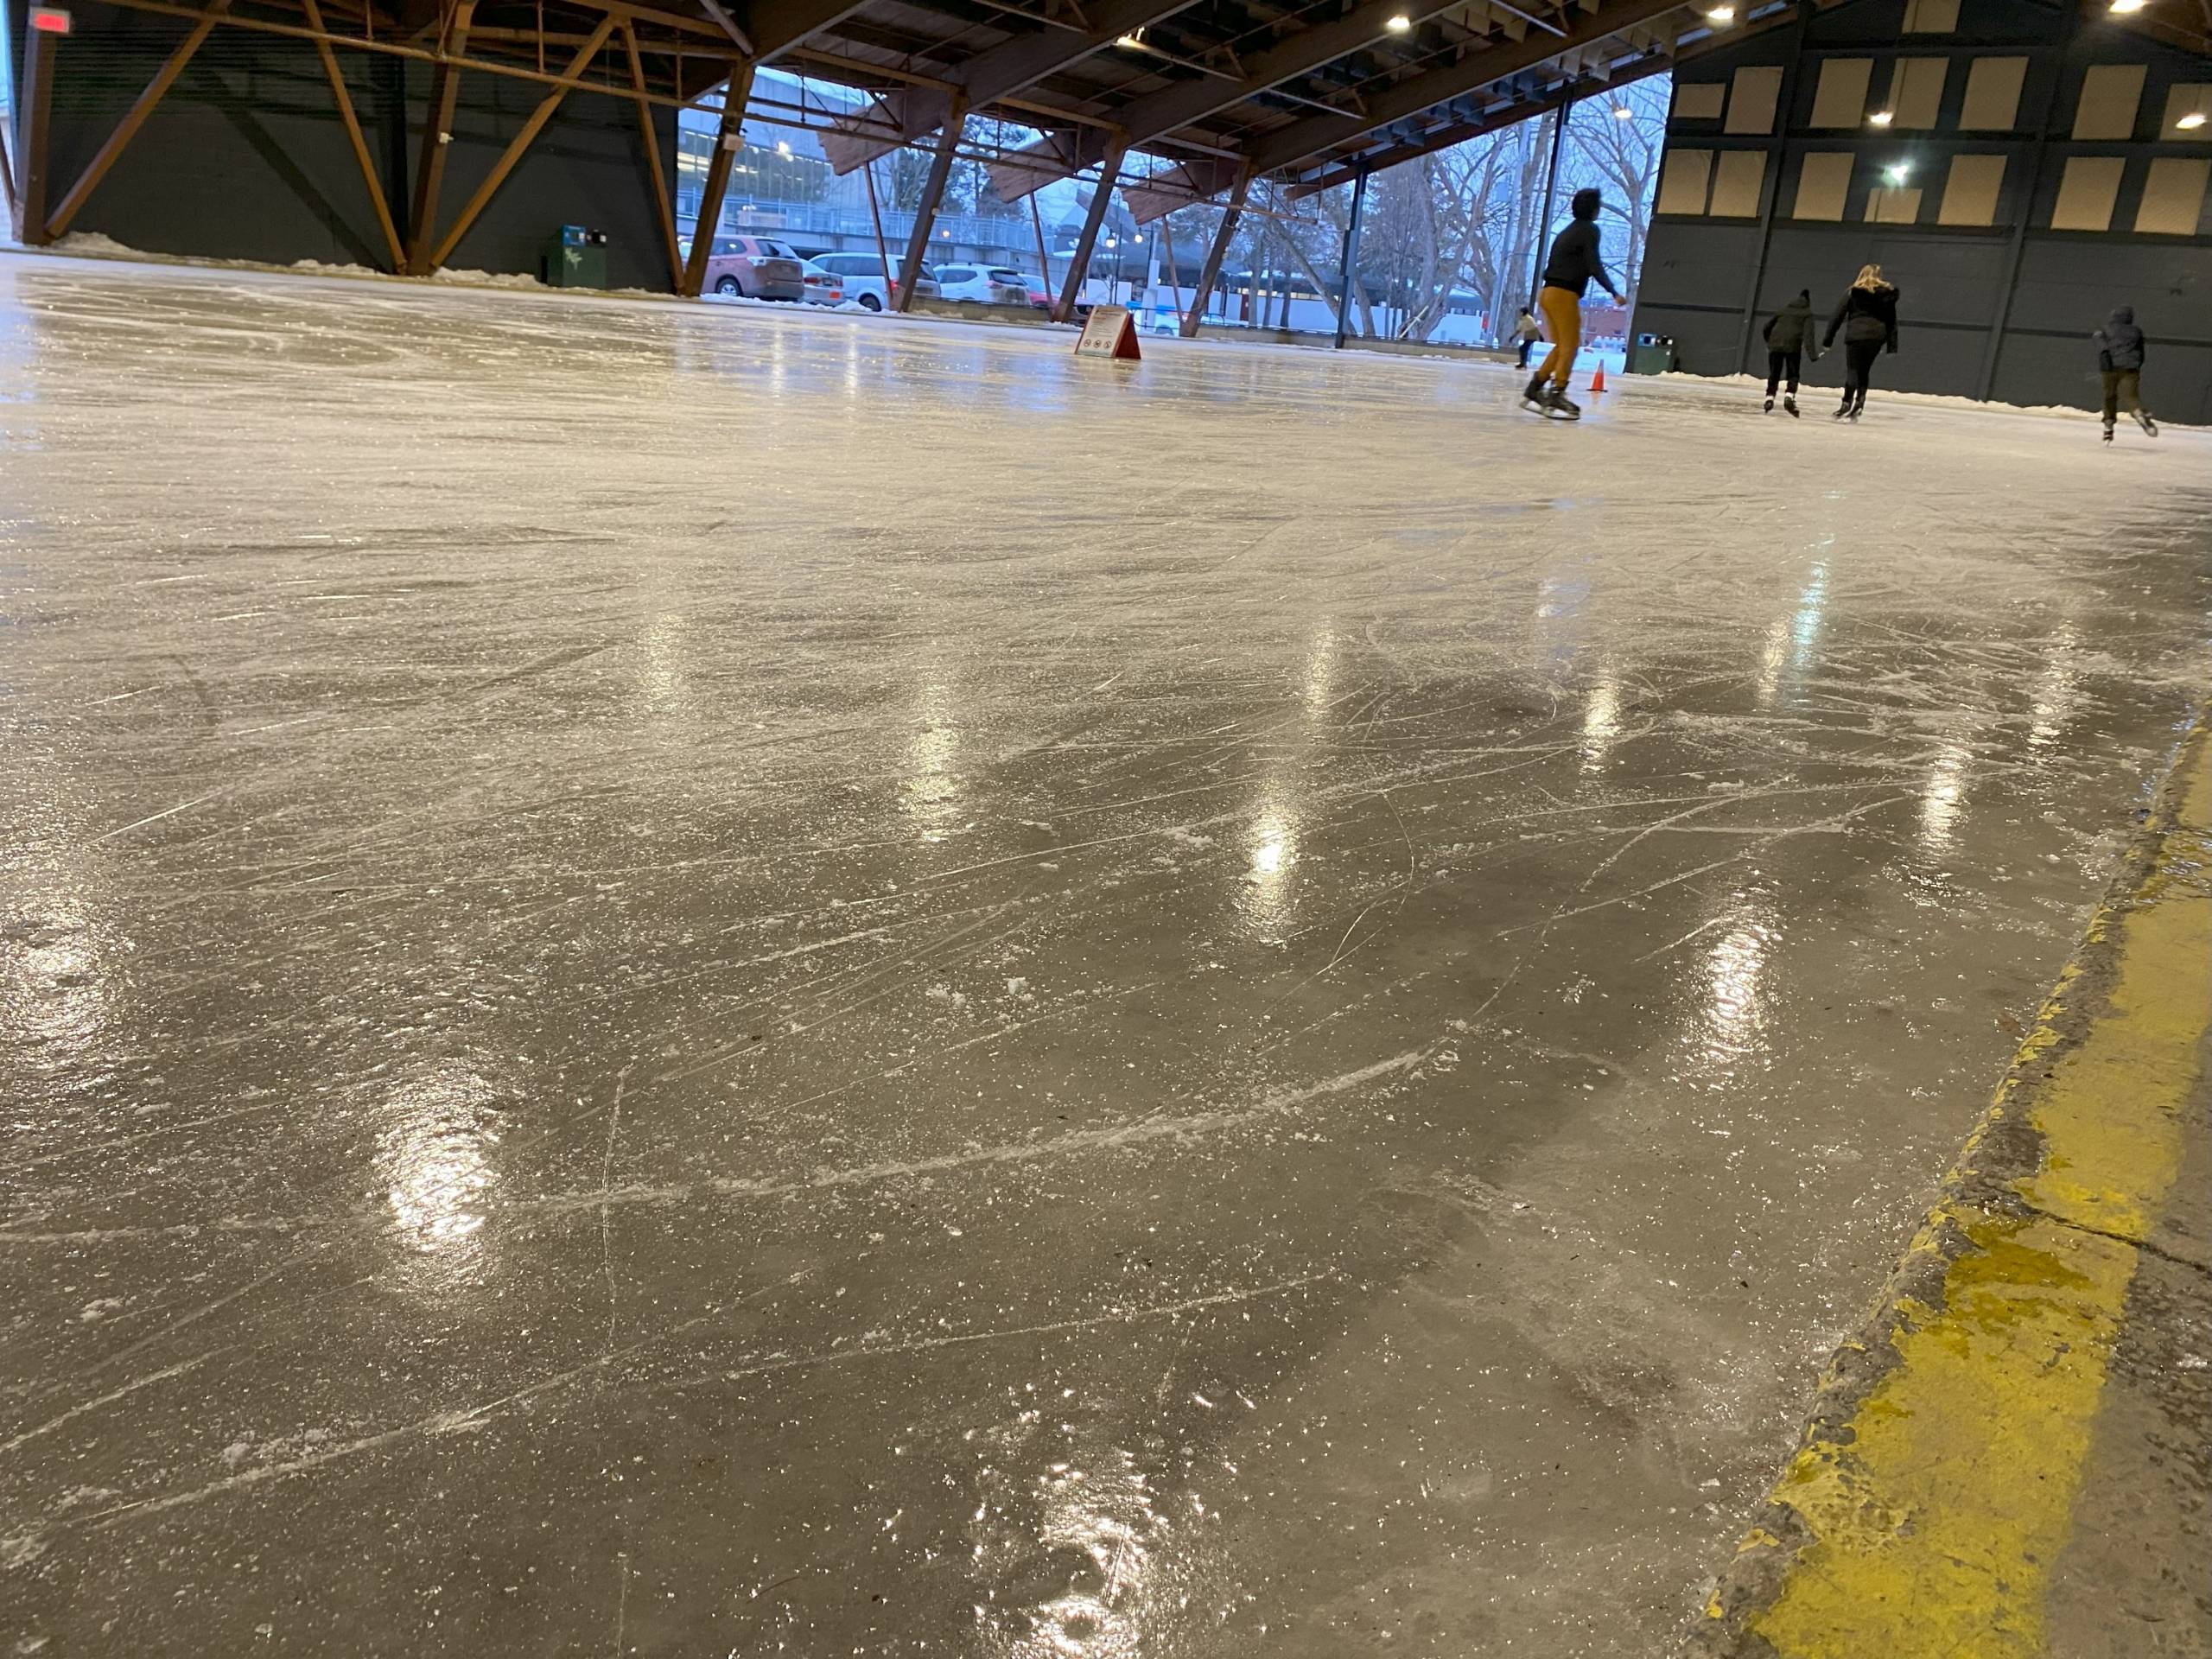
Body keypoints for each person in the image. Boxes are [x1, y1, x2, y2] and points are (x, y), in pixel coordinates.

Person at [1522, 188, 1624, 420]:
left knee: (1561, 346)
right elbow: (1593, 264)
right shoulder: (1589, 230)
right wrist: (1613, 291)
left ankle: (1535, 388)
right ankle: (1557, 392)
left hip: (1548, 292)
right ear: (1594, 209)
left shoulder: (1567, 231)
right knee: (1571, 345)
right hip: (1564, 294)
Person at [1821, 264, 1899, 420]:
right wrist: (1892, 346)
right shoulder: (1886, 295)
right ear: (1879, 275)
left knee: (1853, 369)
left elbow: (1837, 317)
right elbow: (1892, 321)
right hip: (1877, 337)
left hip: (1856, 335)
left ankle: (1846, 403)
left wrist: (1828, 340)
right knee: (1865, 370)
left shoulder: (1853, 293)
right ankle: (1860, 402)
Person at [2094, 305, 2158, 442]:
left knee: (2110, 396)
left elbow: (2101, 346)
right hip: (2130, 368)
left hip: (2110, 368)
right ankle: (2139, 413)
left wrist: (2105, 360)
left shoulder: (2104, 329)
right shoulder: (2136, 331)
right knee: (2131, 397)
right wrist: (2137, 365)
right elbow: (2141, 352)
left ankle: (2108, 424)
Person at [1760, 289, 1820, 416]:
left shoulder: (1784, 310)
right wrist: (1813, 355)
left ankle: (1769, 397)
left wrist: (1769, 342)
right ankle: (1789, 396)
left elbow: (1766, 327)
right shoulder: (1807, 313)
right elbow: (1808, 336)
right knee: (1793, 373)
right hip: (1793, 346)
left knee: (1774, 372)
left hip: (1775, 345)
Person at [1512, 306, 1542, 370]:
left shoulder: (1529, 318)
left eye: (1520, 312)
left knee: (1523, 348)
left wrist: (1540, 336)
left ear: (1523, 312)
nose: (1519, 313)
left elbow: (1535, 327)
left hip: (1532, 335)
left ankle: (1523, 364)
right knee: (1523, 349)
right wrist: (1513, 336)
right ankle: (1523, 363)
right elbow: (1519, 330)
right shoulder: (1522, 319)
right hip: (1527, 335)